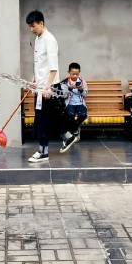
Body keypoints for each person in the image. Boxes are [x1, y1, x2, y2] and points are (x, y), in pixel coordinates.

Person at [26, 9, 60, 163]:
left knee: (43, 119)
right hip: (40, 86)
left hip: (48, 88)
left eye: (33, 26)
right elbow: (39, 63)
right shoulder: (39, 39)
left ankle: (44, 152)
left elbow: (53, 67)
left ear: (41, 23)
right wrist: (34, 77)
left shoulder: (49, 40)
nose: (31, 29)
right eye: (30, 27)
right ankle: (67, 136)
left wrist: (48, 87)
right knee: (41, 118)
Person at [59, 62, 88, 153]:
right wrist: (70, 88)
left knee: (83, 114)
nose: (75, 76)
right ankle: (75, 129)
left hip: (80, 103)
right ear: (69, 72)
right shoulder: (65, 82)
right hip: (70, 104)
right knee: (69, 115)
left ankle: (74, 128)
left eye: (77, 74)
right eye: (73, 74)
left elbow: (85, 94)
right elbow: (63, 95)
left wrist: (81, 89)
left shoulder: (82, 82)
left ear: (79, 73)